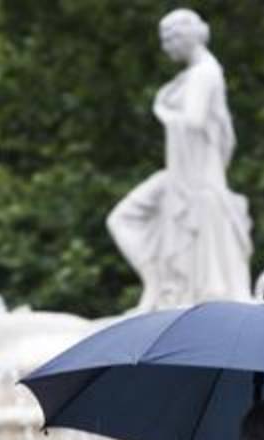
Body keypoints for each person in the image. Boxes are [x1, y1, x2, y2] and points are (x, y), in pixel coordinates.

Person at [106, 8, 252, 312]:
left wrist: (163, 110)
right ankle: (155, 285)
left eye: (170, 37)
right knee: (122, 218)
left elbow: (194, 121)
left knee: (121, 218)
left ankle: (157, 287)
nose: (166, 46)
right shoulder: (202, 72)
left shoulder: (203, 73)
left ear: (188, 34)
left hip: (194, 179)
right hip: (188, 175)